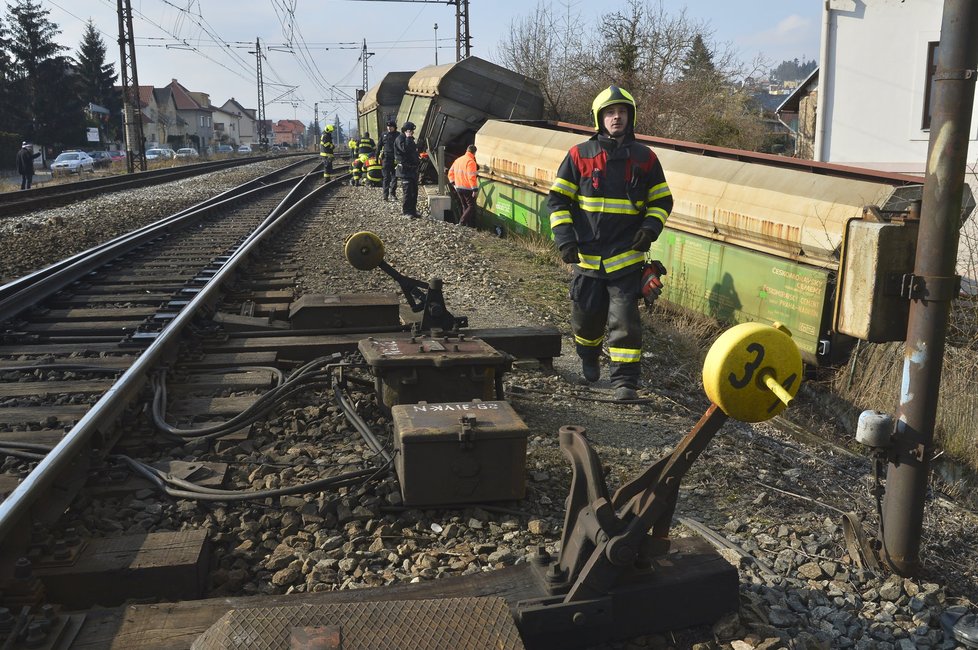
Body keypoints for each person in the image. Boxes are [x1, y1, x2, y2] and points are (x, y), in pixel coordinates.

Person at [547, 86, 673, 402]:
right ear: (599, 118)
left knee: (625, 322)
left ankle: (624, 382)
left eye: (622, 111)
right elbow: (558, 199)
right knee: (586, 319)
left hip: (626, 260)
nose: (616, 117)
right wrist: (565, 240)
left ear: (630, 117)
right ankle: (588, 356)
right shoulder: (579, 155)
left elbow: (662, 200)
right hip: (586, 259)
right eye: (609, 112)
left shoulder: (645, 158)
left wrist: (650, 228)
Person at [448, 145, 479, 227]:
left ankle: (466, 225)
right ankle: (462, 222)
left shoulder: (458, 160)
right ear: (474, 153)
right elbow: (471, 176)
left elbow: (450, 173)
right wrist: (475, 189)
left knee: (464, 206)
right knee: (471, 206)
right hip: (467, 188)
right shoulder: (471, 162)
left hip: (458, 187)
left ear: (466, 150)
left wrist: (453, 184)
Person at [394, 121, 420, 218]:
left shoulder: (410, 139)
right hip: (405, 171)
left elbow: (412, 152)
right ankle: (406, 212)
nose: (412, 133)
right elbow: (405, 149)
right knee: (407, 192)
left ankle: (413, 211)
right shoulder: (400, 139)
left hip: (412, 170)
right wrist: (408, 137)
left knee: (414, 192)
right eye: (411, 131)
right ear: (406, 131)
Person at [377, 119, 399, 201]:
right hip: (386, 158)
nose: (389, 128)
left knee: (395, 177)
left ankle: (392, 194)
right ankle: (385, 195)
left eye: (391, 127)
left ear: (394, 127)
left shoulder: (398, 135)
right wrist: (376, 157)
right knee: (386, 177)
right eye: (388, 126)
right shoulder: (383, 135)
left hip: (395, 159)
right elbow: (379, 146)